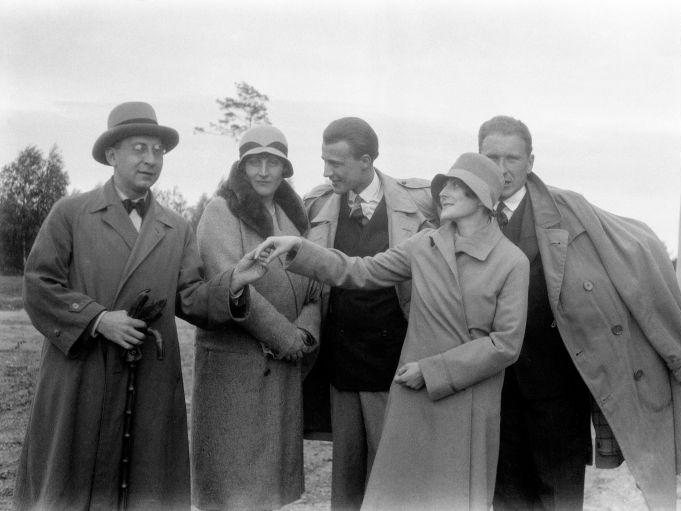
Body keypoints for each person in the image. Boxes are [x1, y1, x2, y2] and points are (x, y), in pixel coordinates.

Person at [14, 102, 266, 511]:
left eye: (158, 151)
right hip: (82, 375)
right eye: (139, 148)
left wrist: (234, 281)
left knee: (146, 483)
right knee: (71, 484)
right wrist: (97, 319)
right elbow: (39, 285)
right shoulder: (71, 213)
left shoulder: (177, 227)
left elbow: (192, 298)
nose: (150, 159)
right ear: (112, 155)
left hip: (149, 377)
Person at [253, 152, 529, 511]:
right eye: (446, 185)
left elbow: (505, 344)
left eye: (457, 187)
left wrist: (431, 372)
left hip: (468, 403)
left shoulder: (511, 262)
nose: (444, 192)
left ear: (481, 199)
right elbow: (360, 271)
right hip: (415, 399)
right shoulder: (425, 244)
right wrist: (301, 250)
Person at [478, 115, 681, 510]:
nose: (502, 169)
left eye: (512, 158)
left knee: (560, 494)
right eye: (492, 157)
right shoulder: (466, 210)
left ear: (531, 161)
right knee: (505, 496)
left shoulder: (569, 210)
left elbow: (632, 252)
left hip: (556, 385)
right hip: (491, 386)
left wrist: (677, 349)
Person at [301, 117, 435, 510]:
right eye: (324, 161)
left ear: (365, 161)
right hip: (340, 370)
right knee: (346, 485)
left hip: (395, 370)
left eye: (336, 163)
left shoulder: (422, 203)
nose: (328, 172)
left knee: (393, 483)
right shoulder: (316, 206)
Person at [190, 125, 321, 510]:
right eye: (255, 162)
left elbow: (315, 287)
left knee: (269, 490)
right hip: (237, 372)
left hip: (282, 368)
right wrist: (285, 337)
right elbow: (231, 282)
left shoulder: (292, 214)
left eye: (273, 162)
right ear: (242, 166)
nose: (264, 171)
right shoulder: (220, 212)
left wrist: (306, 333)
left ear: (285, 168)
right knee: (234, 488)